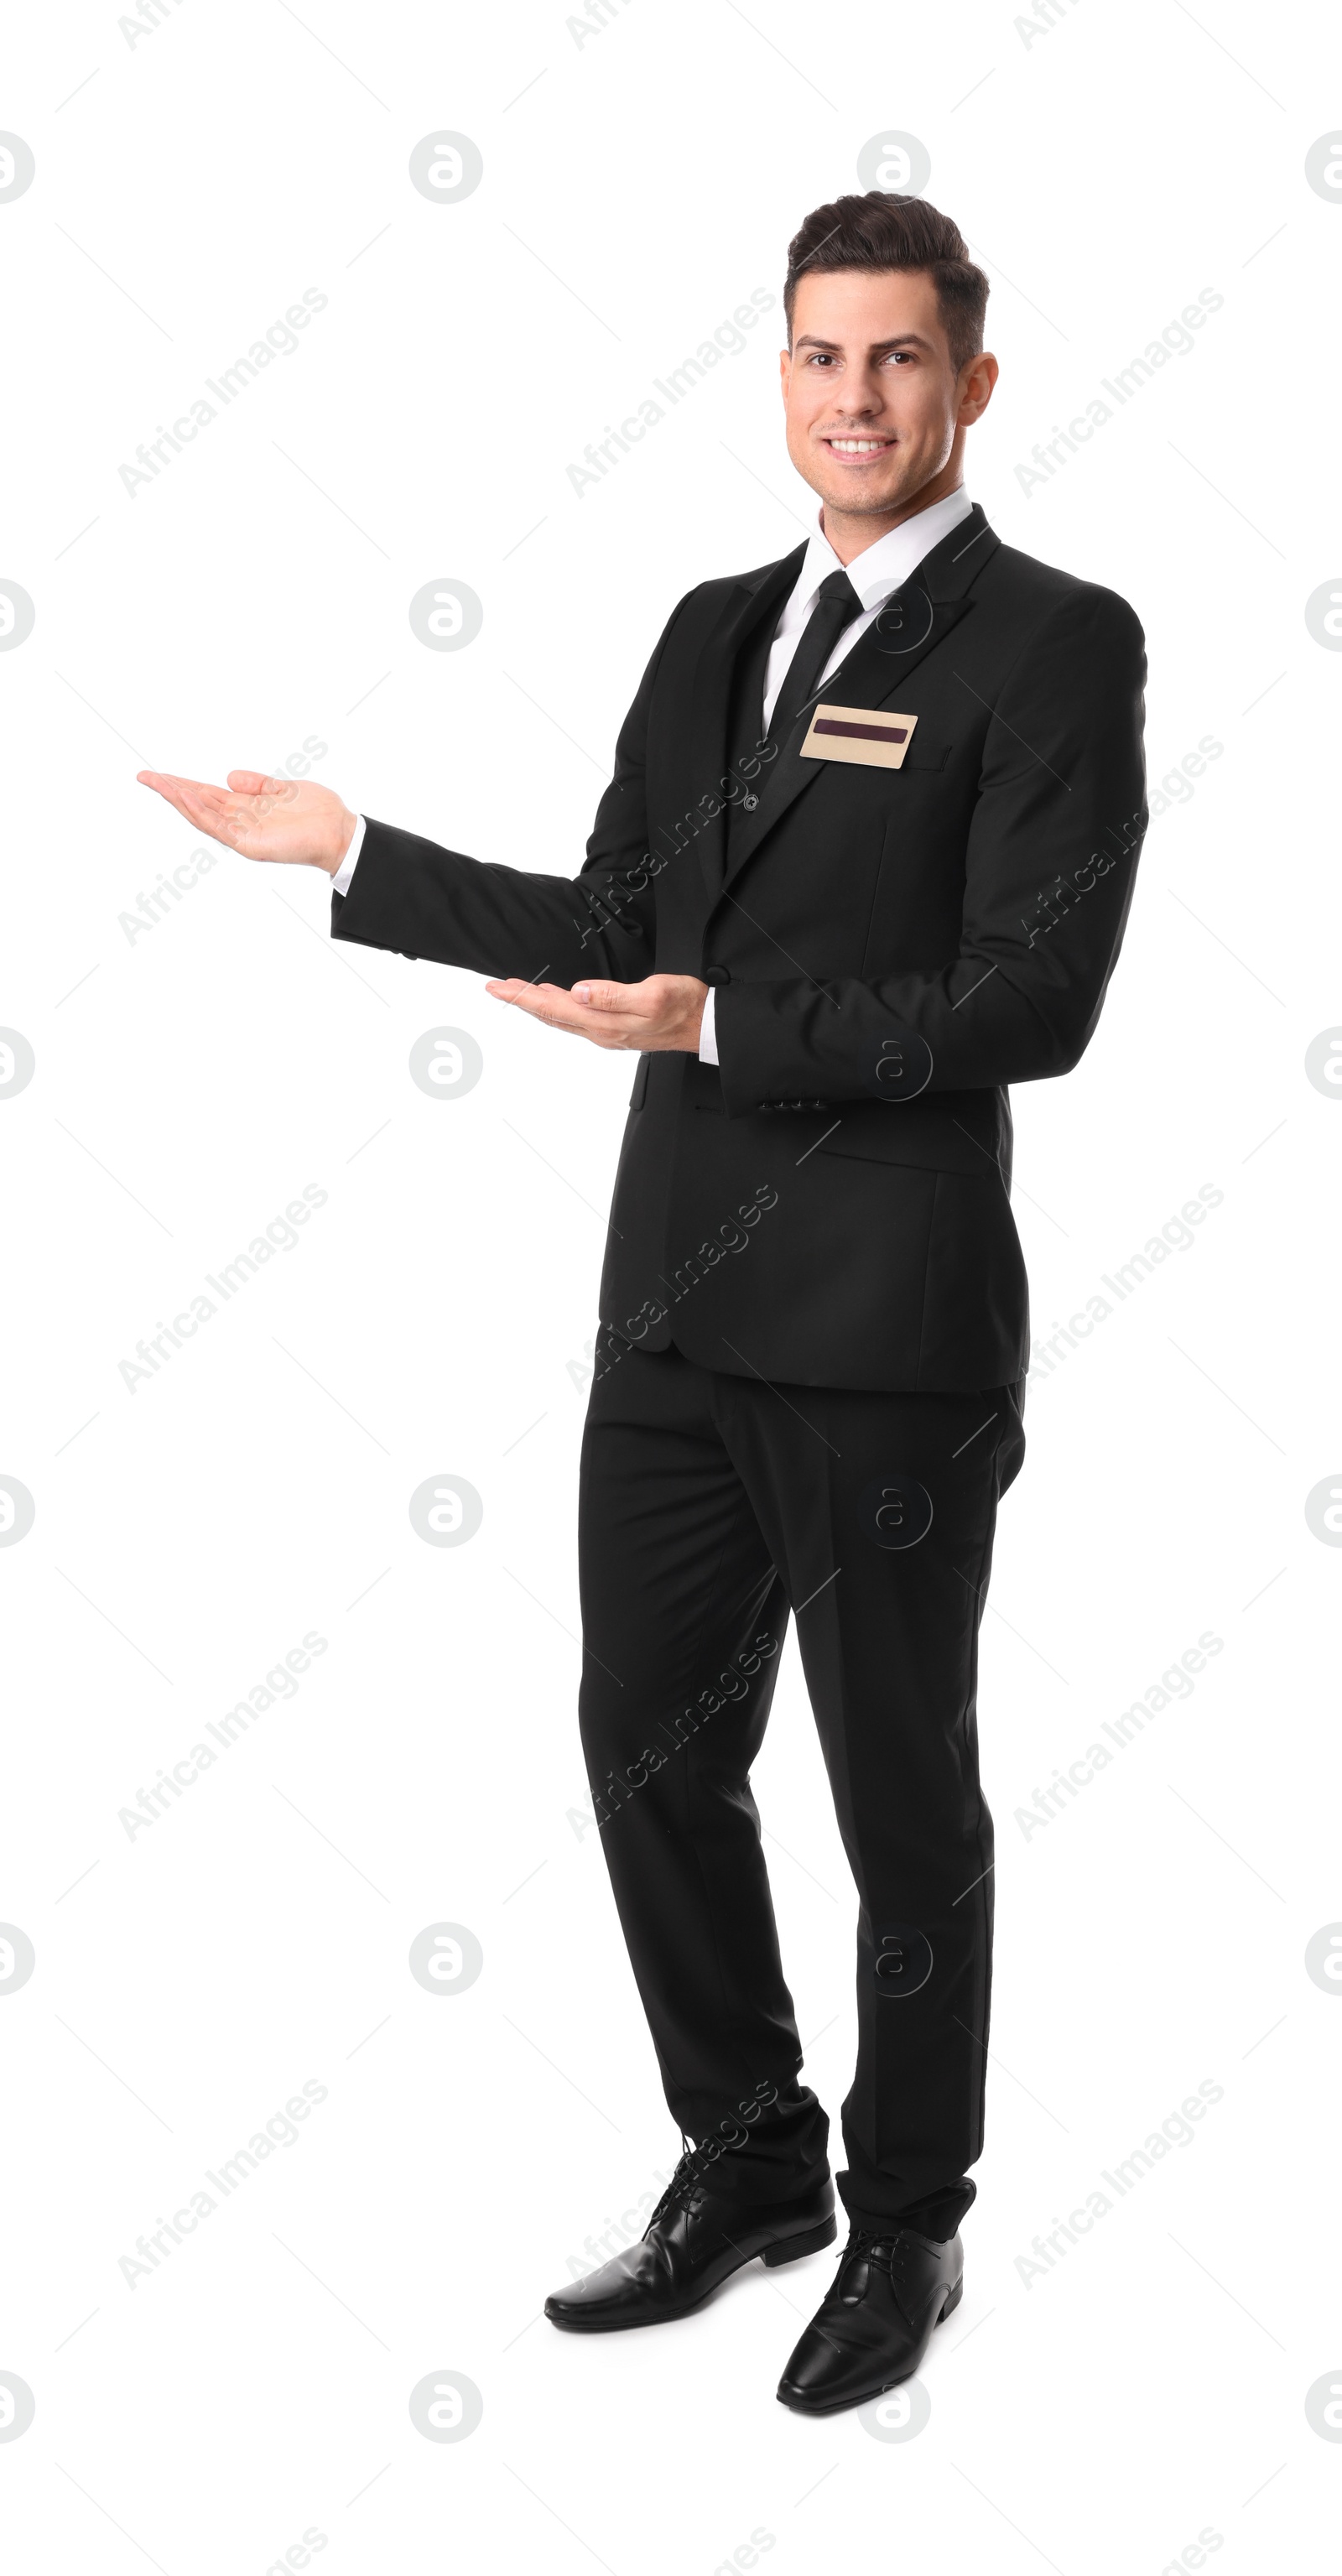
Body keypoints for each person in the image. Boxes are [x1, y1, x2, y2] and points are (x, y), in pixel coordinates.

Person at [138, 191, 1147, 2415]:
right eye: (817, 357)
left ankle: (907, 2225)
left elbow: (1031, 995)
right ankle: (753, 2154)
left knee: (904, 1800)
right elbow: (615, 922)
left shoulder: (1052, 645)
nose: (854, 399)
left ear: (972, 383)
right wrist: (354, 854)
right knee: (646, 1749)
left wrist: (717, 1024)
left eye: (897, 360)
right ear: (777, 376)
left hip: (887, 1335)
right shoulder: (709, 633)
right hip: (673, 1324)